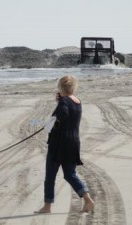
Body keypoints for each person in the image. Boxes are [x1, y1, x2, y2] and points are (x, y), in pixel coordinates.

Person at [35, 75, 94, 213]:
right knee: (70, 174)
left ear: (61, 87)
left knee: (50, 176)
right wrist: (61, 101)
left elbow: (61, 116)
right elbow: (68, 113)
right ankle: (87, 199)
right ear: (73, 87)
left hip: (59, 144)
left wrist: (48, 125)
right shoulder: (78, 101)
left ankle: (47, 206)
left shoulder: (64, 102)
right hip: (73, 143)